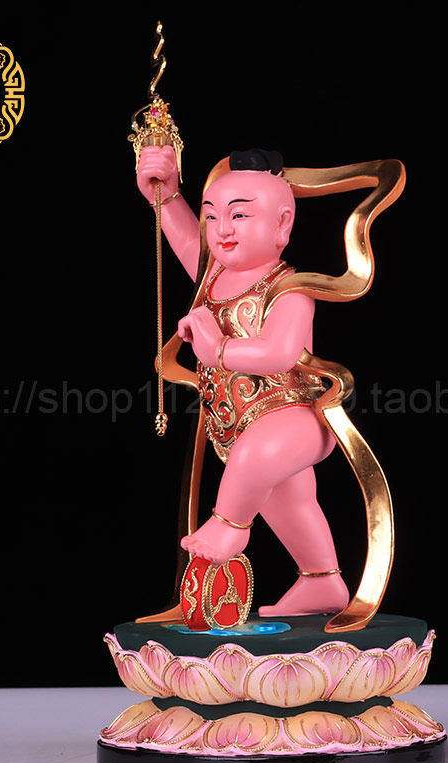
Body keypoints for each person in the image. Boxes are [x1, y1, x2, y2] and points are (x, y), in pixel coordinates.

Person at [135, 145, 349, 616]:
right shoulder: (213, 277)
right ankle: (322, 580)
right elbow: (188, 244)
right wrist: (165, 196)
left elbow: (280, 353)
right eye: (212, 216)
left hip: (295, 417)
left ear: (282, 225)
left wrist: (217, 349)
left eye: (240, 215)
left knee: (255, 459)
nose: (222, 230)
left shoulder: (290, 289)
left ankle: (229, 525)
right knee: (290, 506)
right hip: (236, 422)